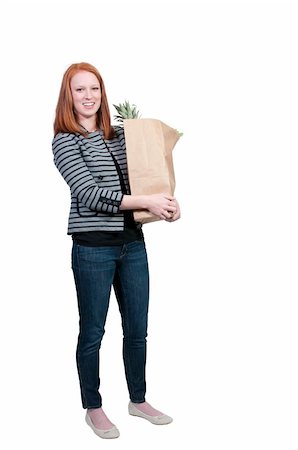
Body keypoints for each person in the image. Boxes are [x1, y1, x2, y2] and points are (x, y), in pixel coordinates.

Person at [52, 62, 181, 439]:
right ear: (68, 96)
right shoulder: (65, 140)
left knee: (137, 329)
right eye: (80, 90)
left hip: (133, 245)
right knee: (93, 331)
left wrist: (166, 204)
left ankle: (137, 400)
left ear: (102, 93)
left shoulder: (120, 135)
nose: (88, 96)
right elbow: (90, 195)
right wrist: (145, 199)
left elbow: (143, 178)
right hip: (93, 249)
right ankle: (93, 407)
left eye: (94, 88)